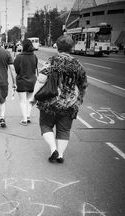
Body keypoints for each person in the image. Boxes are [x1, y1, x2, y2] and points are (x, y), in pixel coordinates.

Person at [31, 34, 88, 163]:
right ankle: (61, 155)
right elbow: (83, 84)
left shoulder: (52, 61)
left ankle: (53, 150)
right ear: (71, 48)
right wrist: (80, 99)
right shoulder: (77, 64)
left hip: (50, 102)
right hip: (70, 104)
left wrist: (34, 97)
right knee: (64, 130)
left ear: (57, 47)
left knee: (45, 125)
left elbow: (41, 80)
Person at [14, 39, 38, 126]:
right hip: (32, 81)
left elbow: (16, 70)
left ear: (23, 46)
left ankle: (24, 120)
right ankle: (28, 116)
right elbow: (35, 68)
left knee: (22, 101)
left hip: (22, 81)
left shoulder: (19, 57)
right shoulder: (34, 56)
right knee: (29, 100)